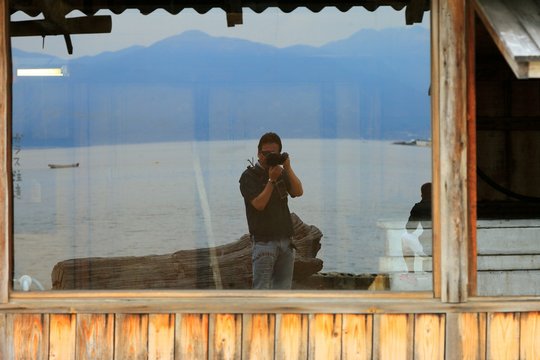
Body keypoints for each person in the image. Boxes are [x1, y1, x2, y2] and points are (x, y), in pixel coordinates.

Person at [239, 132, 303, 289]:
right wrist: (271, 180)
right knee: (261, 293)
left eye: (272, 154)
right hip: (264, 243)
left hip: (286, 242)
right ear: (258, 153)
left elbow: (297, 191)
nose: (267, 157)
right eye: (264, 153)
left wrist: (287, 167)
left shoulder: (280, 172)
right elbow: (259, 204)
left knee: (283, 291)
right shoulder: (249, 176)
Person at [402, 182, 432, 273]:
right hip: (444, 246)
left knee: (405, 237)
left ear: (422, 194)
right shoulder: (443, 206)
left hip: (427, 247)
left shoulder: (419, 207)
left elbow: (410, 229)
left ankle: (411, 272)